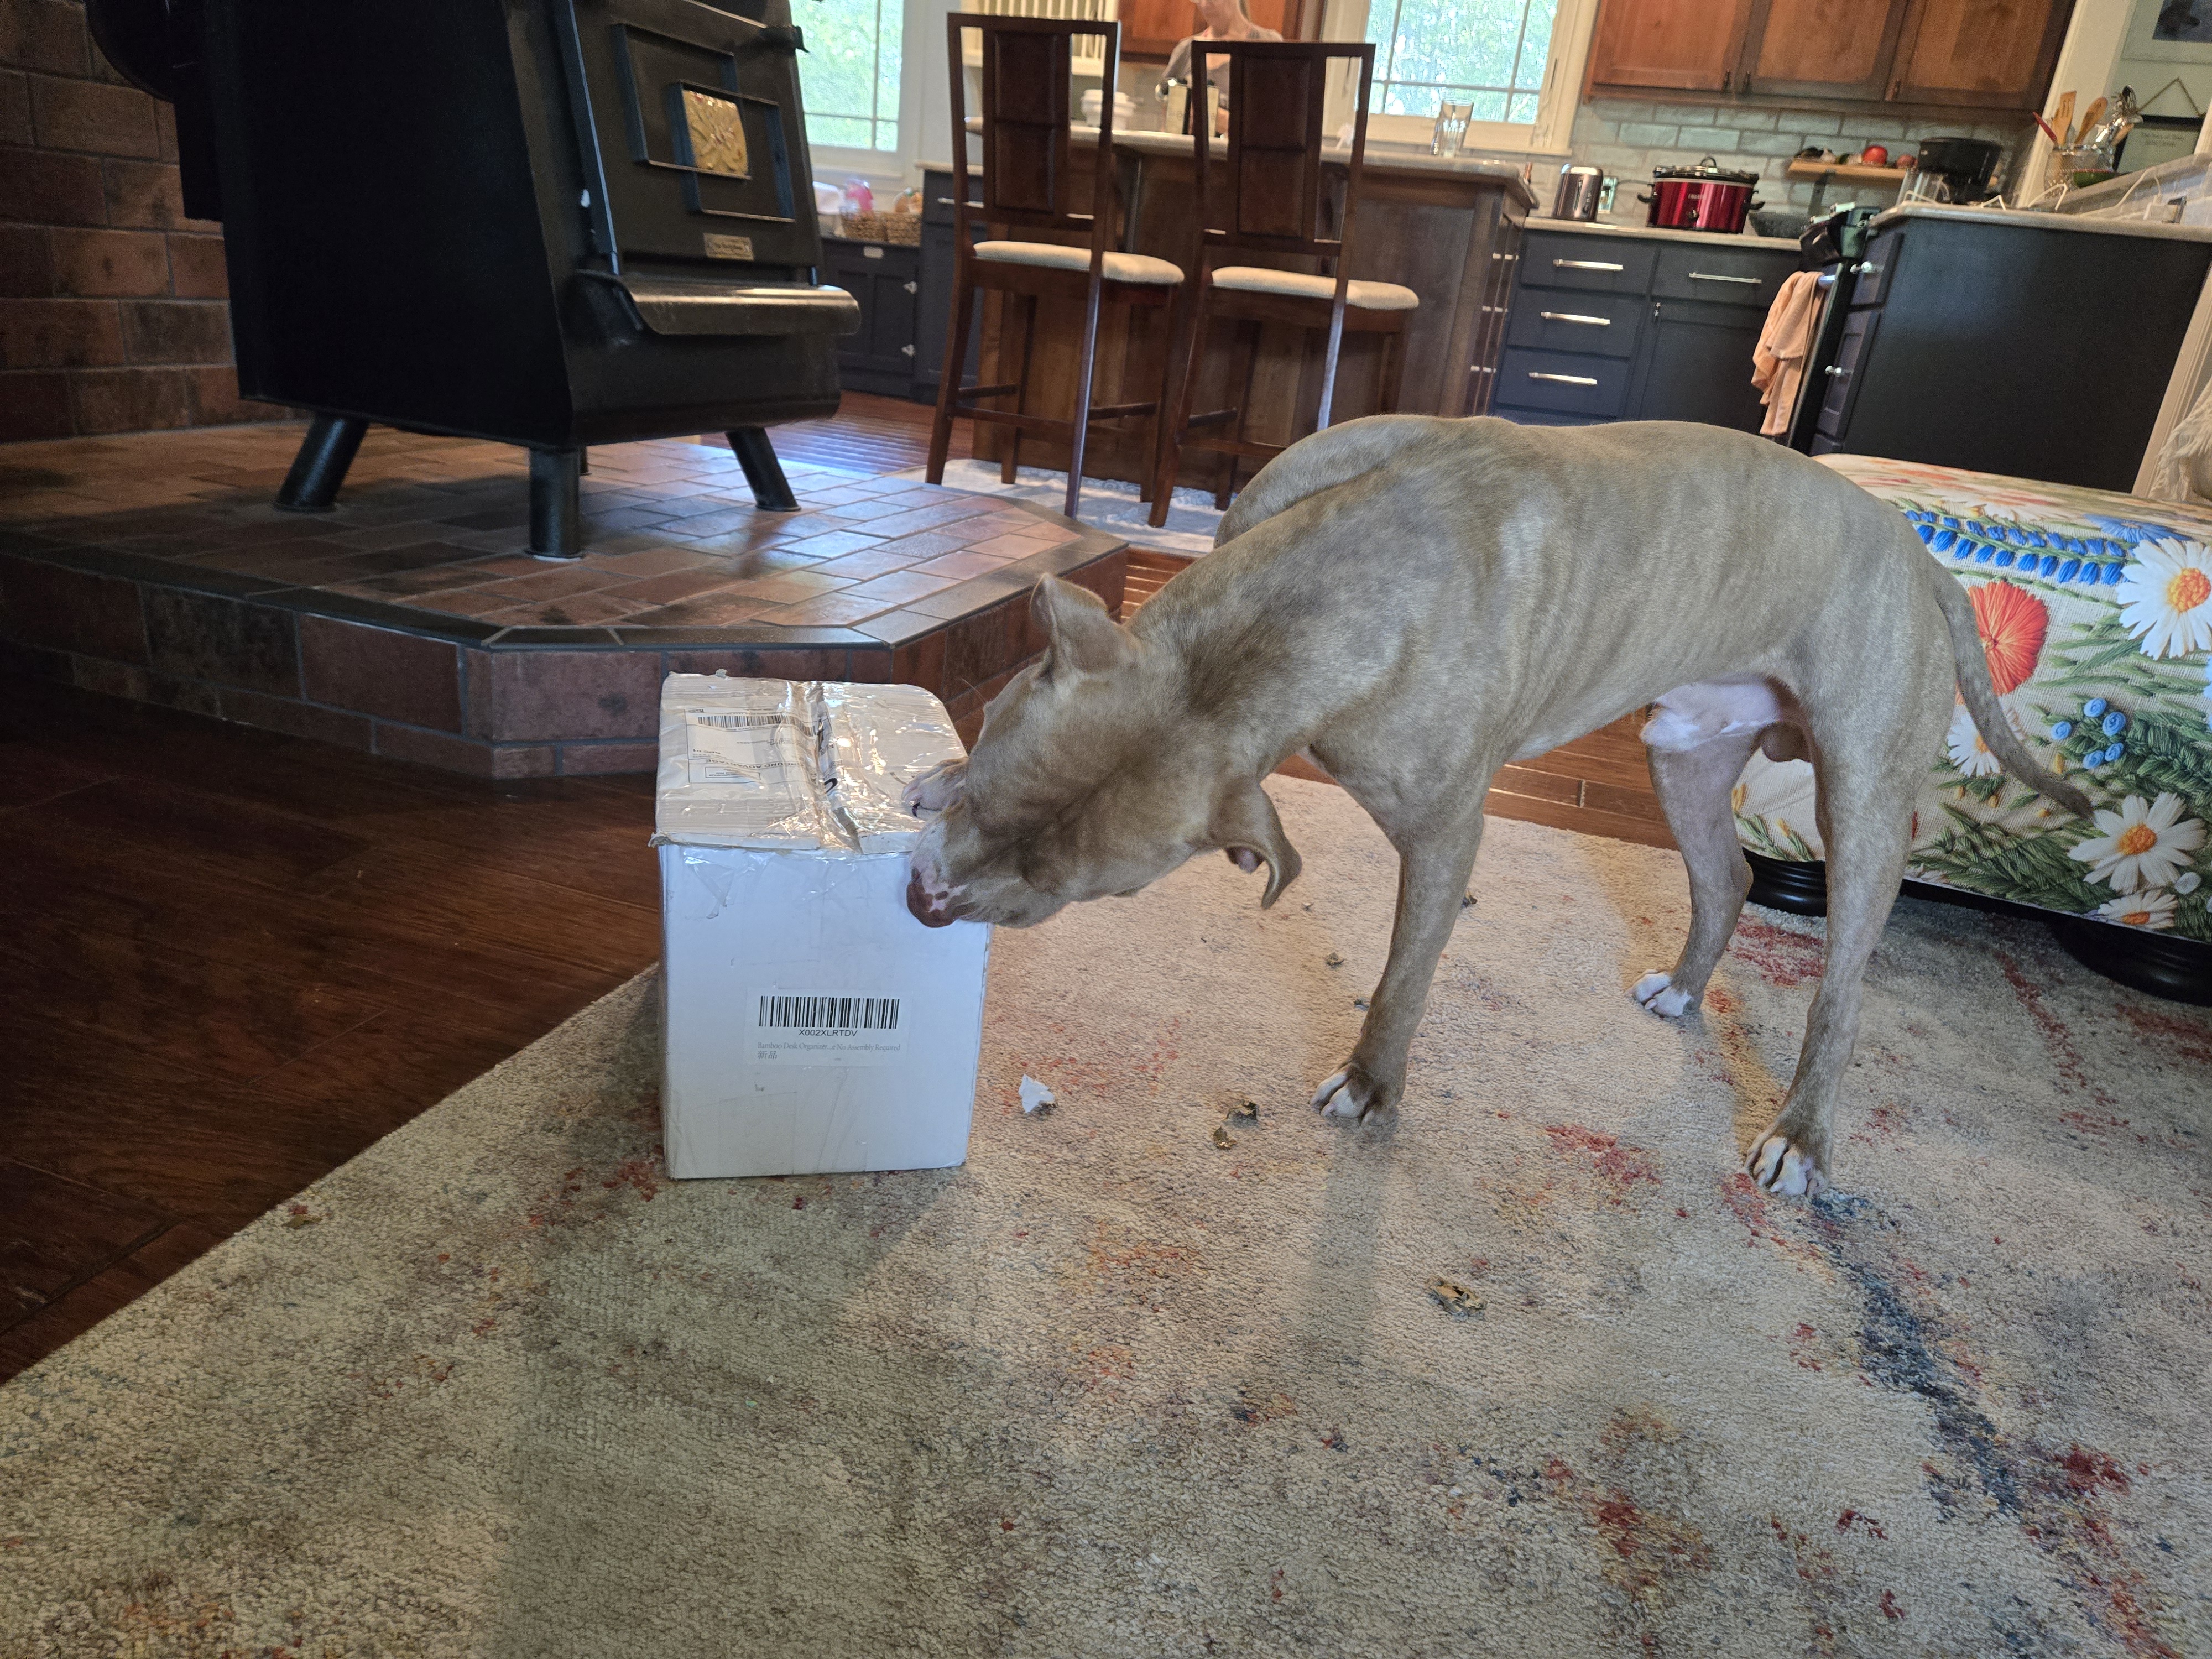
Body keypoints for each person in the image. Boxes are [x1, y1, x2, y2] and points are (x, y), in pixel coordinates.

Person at [1162, 0, 1280, 133]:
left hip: (1239, 153)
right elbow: (1165, 110)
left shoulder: (1267, 43)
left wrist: (1230, 124)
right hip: (1189, 152)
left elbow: (1278, 121)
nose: (1204, 4)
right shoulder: (1186, 49)